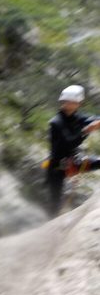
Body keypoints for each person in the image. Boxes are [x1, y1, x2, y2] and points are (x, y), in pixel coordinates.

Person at [47, 85, 100, 216]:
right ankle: (51, 225)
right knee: (55, 202)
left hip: (74, 161)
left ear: (78, 104)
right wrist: (87, 130)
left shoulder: (76, 117)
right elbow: (69, 142)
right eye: (67, 101)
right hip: (57, 166)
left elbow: (91, 118)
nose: (69, 104)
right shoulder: (56, 122)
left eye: (73, 102)